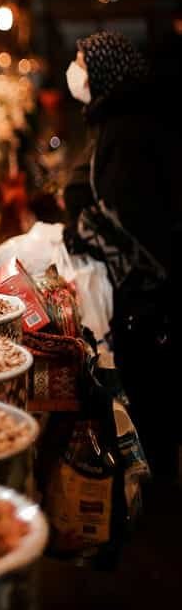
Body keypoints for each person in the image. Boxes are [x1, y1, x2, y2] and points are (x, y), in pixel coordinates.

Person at [63, 30, 179, 476]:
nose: (74, 72)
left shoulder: (127, 129)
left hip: (147, 293)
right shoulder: (119, 119)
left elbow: (133, 221)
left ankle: (153, 485)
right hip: (144, 290)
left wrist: (82, 232)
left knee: (150, 386)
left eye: (81, 63)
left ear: (103, 73)